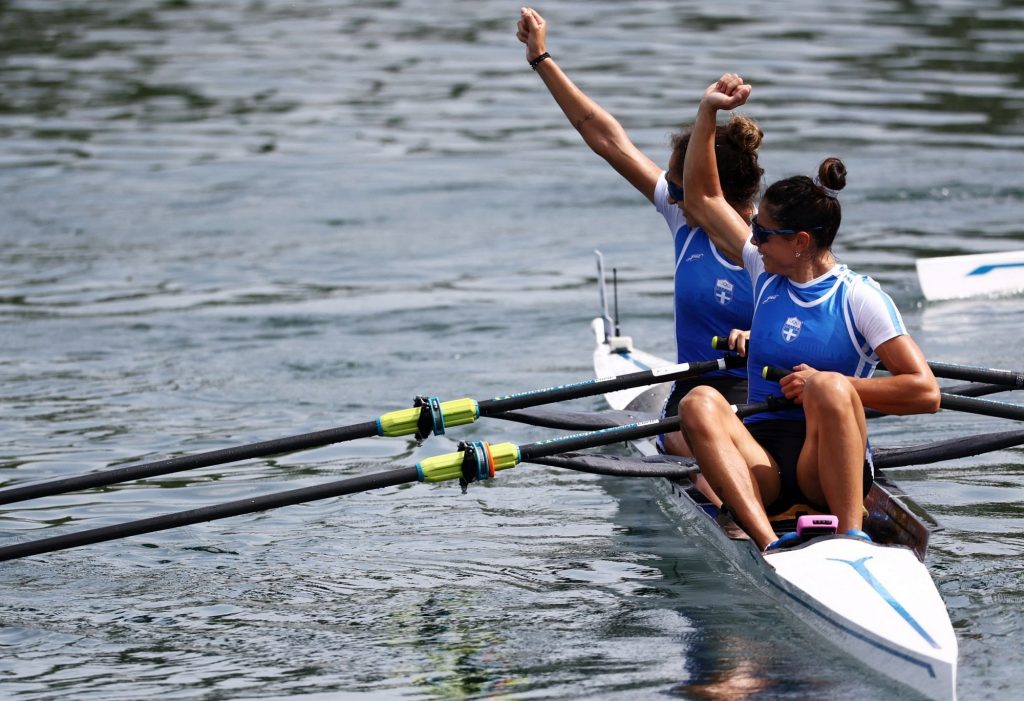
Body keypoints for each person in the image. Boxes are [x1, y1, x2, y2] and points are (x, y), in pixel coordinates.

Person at [678, 73, 941, 551]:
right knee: (697, 401)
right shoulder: (764, 271)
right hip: (764, 464)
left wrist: (829, 382)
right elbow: (704, 199)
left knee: (831, 387)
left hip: (827, 466)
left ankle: (850, 536)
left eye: (762, 233)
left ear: (800, 242)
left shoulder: (860, 298)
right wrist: (707, 112)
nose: (753, 240)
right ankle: (767, 542)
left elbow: (926, 392)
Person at [516, 8, 762, 475]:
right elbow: (607, 139)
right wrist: (541, 58)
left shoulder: (772, 253)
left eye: (678, 186)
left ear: (711, 190)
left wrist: (761, 335)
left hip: (766, 401)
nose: (669, 194)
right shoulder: (685, 219)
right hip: (696, 403)